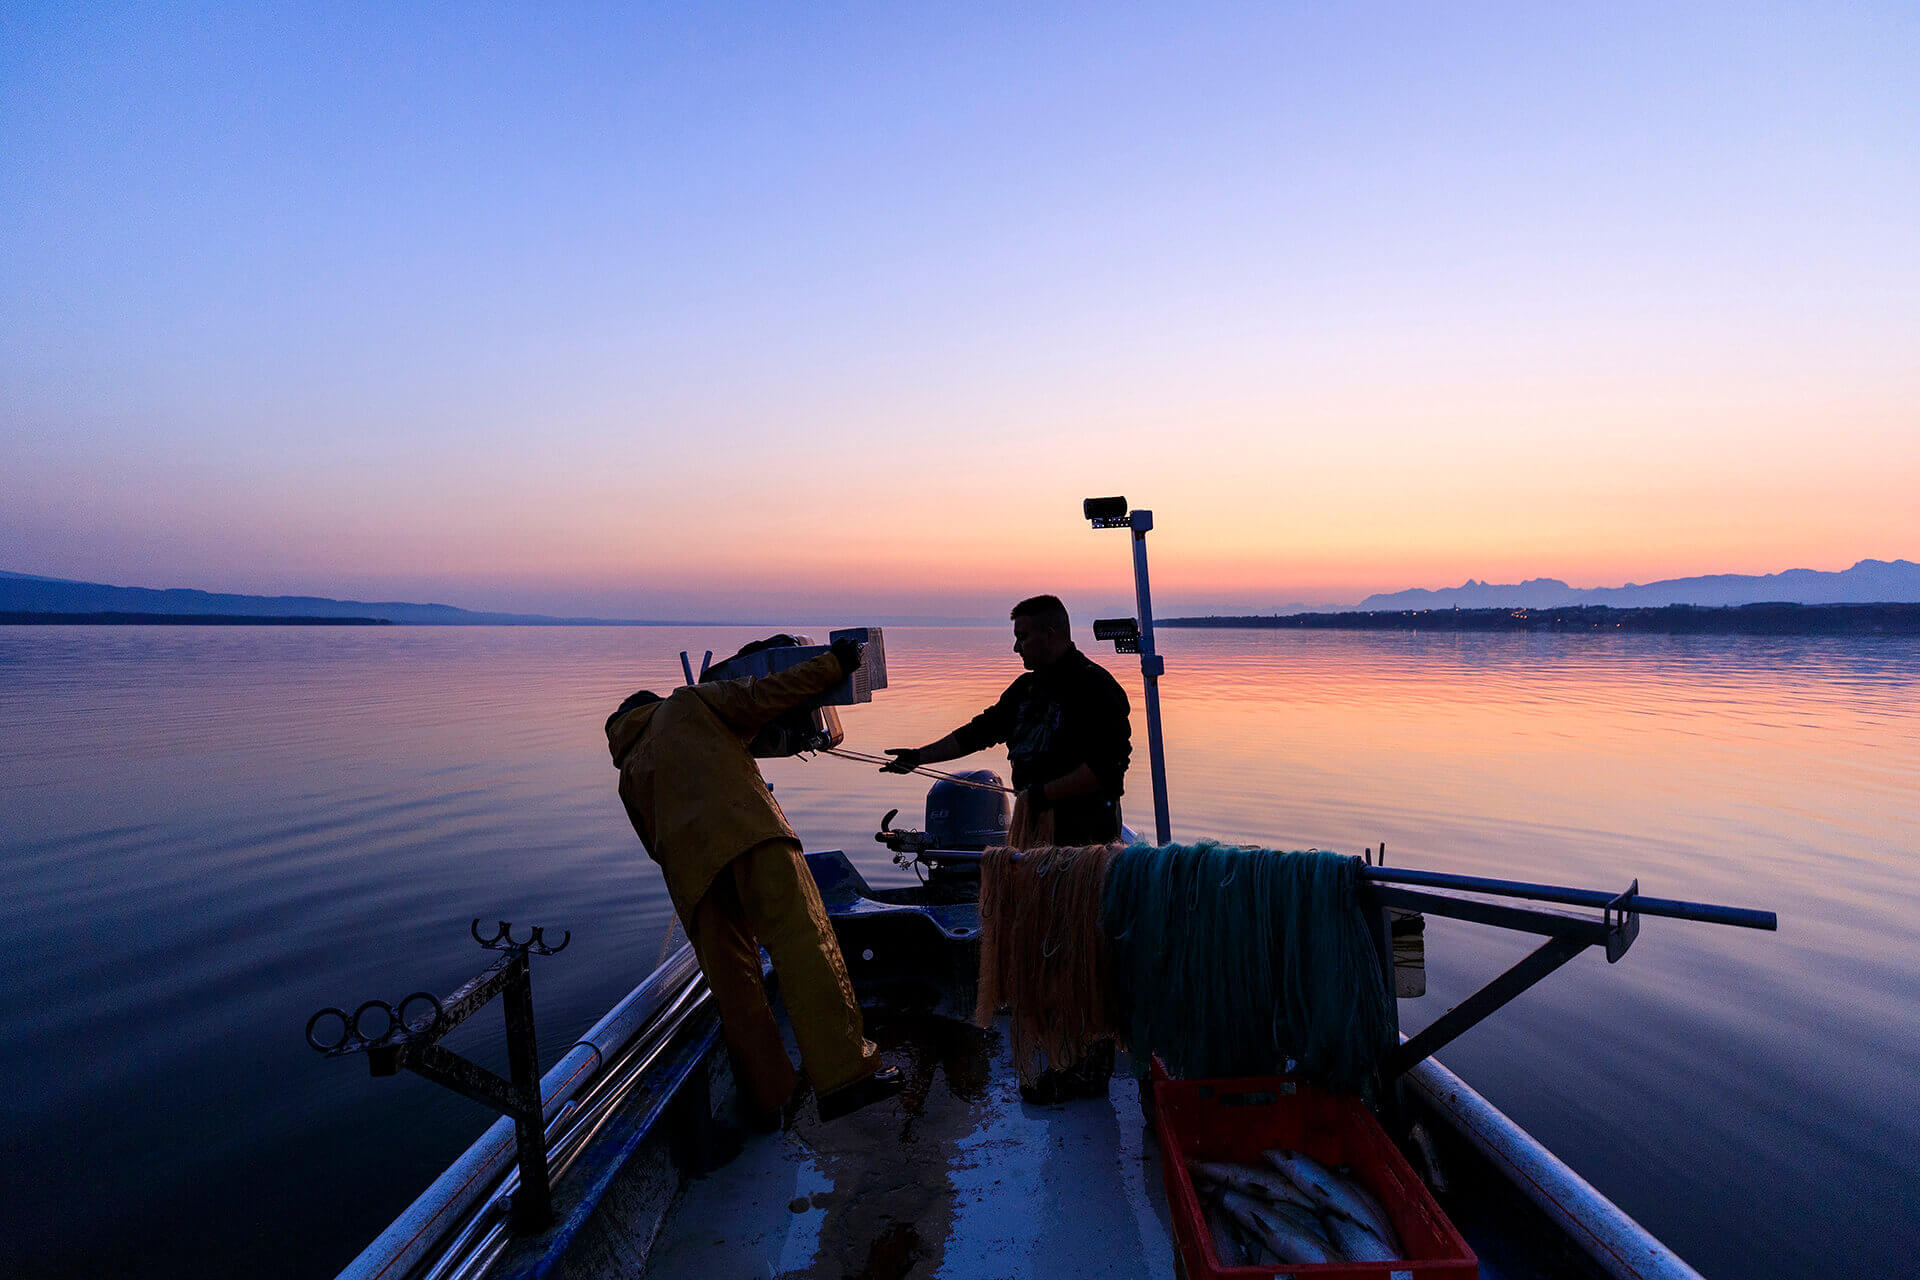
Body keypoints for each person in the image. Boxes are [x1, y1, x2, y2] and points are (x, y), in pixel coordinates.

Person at [606, 636, 902, 1126]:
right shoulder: (684, 703)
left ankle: (771, 1100)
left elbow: (652, 843)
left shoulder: (629, 771)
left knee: (736, 990)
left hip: (692, 880)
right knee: (805, 947)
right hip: (749, 836)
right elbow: (761, 697)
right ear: (652, 703)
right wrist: (833, 663)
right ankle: (846, 1078)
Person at [883, 594, 1132, 847]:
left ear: (1049, 634)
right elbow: (977, 734)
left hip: (1087, 845)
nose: (1015, 648)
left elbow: (1107, 770)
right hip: (1034, 835)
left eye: (1022, 637)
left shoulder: (1096, 687)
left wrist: (1042, 795)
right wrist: (918, 757)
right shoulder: (1025, 689)